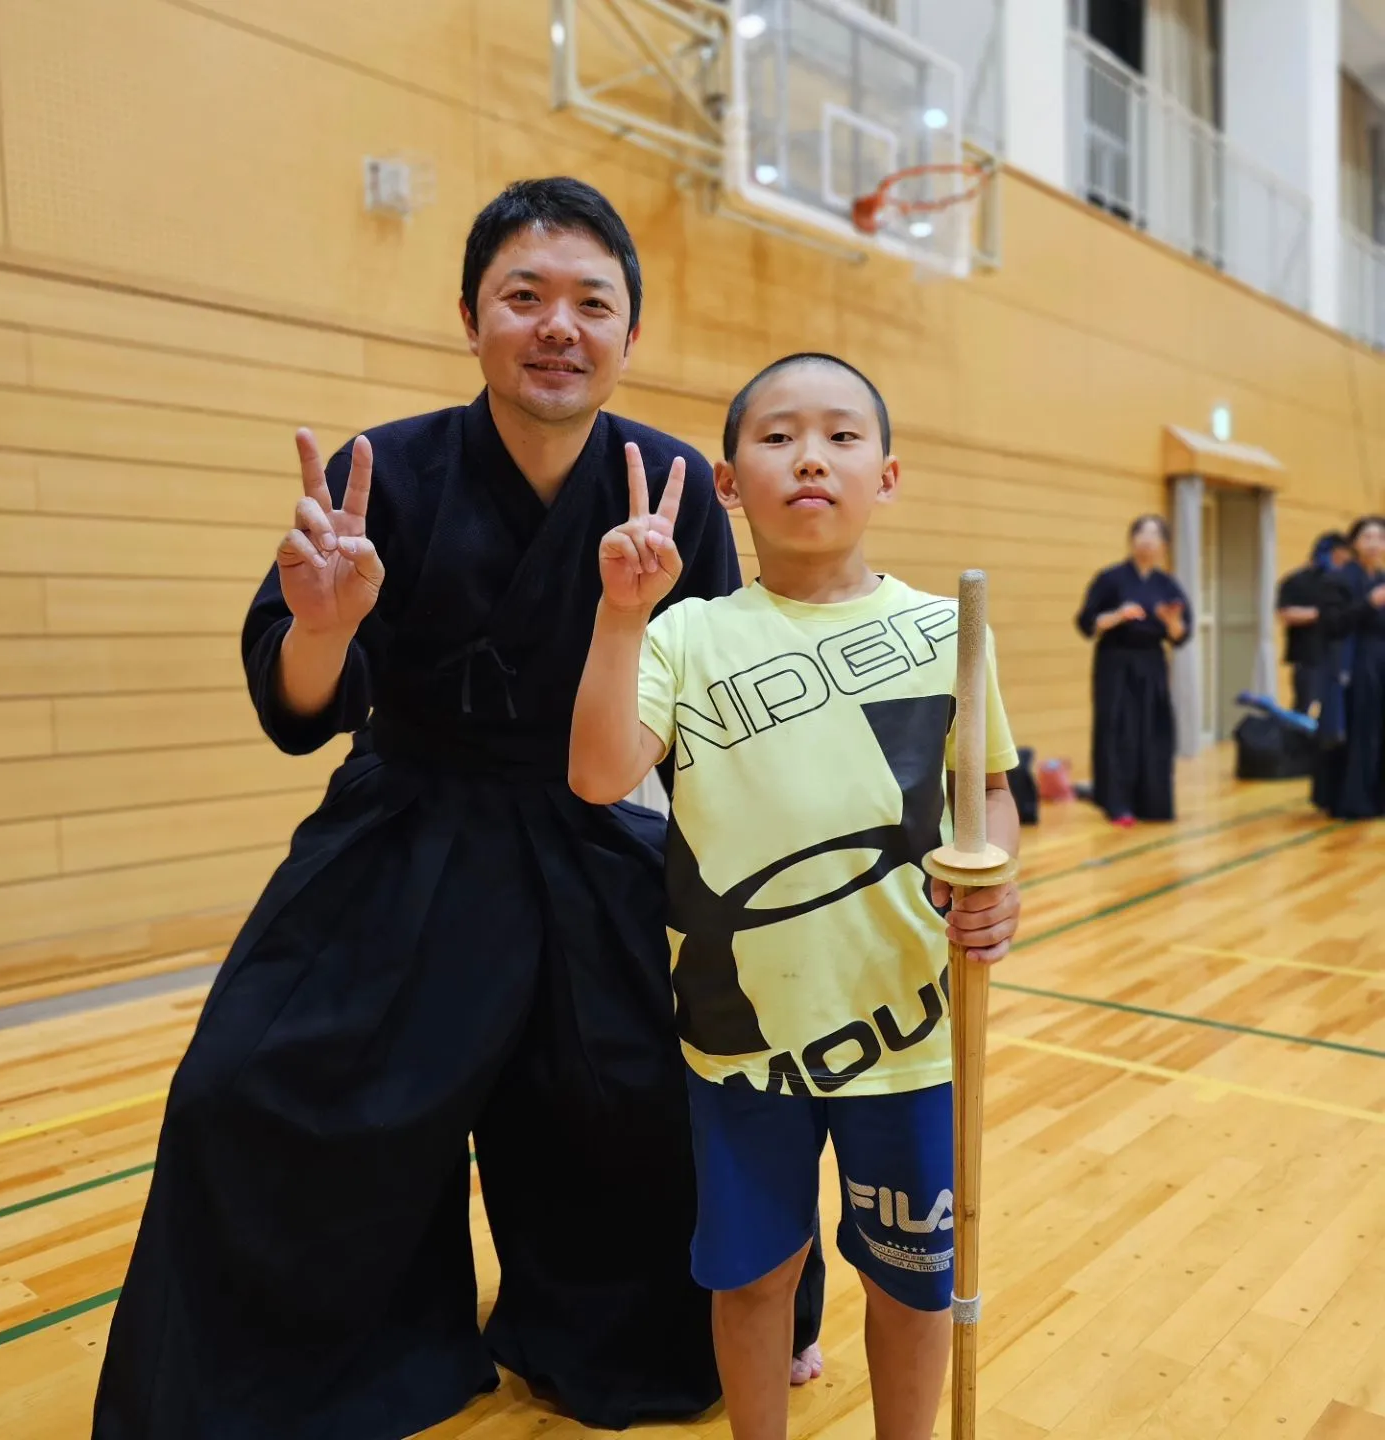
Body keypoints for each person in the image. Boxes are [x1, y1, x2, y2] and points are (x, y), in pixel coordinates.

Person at [91, 178, 823, 1440]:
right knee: (243, 1091)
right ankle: (332, 1370)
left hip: (592, 830)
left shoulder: (675, 492)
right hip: (406, 831)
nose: (558, 327)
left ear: (629, 336)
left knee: (672, 1093)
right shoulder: (389, 471)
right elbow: (301, 705)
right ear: (471, 319)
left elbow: (712, 715)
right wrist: (326, 626)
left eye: (592, 303)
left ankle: (664, 1331)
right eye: (523, 297)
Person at [569, 353, 1022, 1440]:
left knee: (912, 1288)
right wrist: (621, 615)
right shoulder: (689, 635)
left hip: (910, 1033)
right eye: (775, 438)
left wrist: (996, 875)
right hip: (738, 1040)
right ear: (728, 483)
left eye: (840, 436)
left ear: (889, 474)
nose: (809, 455)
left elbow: (990, 796)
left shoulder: (945, 631)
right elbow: (595, 774)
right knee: (755, 1278)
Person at [1074, 515, 1192, 826]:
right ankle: (1117, 804)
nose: (1148, 540)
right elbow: (1086, 622)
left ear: (1164, 545)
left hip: (1152, 663)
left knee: (1152, 731)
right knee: (1116, 730)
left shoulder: (1167, 584)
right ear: (1132, 539)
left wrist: (1170, 621)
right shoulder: (1111, 578)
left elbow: (1180, 636)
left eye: (1155, 535)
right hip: (1115, 662)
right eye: (1142, 533)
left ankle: (1153, 804)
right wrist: (1118, 615)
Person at [1318, 515, 1385, 819]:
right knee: (1360, 730)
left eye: (1380, 538)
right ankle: (1352, 800)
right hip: (1355, 663)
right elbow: (1332, 624)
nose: (1374, 543)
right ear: (1355, 543)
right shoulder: (1339, 579)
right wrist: (1369, 603)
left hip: (1381, 661)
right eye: (1367, 537)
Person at [1276, 531, 1353, 714]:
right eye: (1339, 556)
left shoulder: (1346, 581)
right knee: (1305, 706)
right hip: (1309, 655)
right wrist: (1319, 614)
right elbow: (1285, 613)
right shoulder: (1297, 580)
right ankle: (1299, 741)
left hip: (1341, 654)